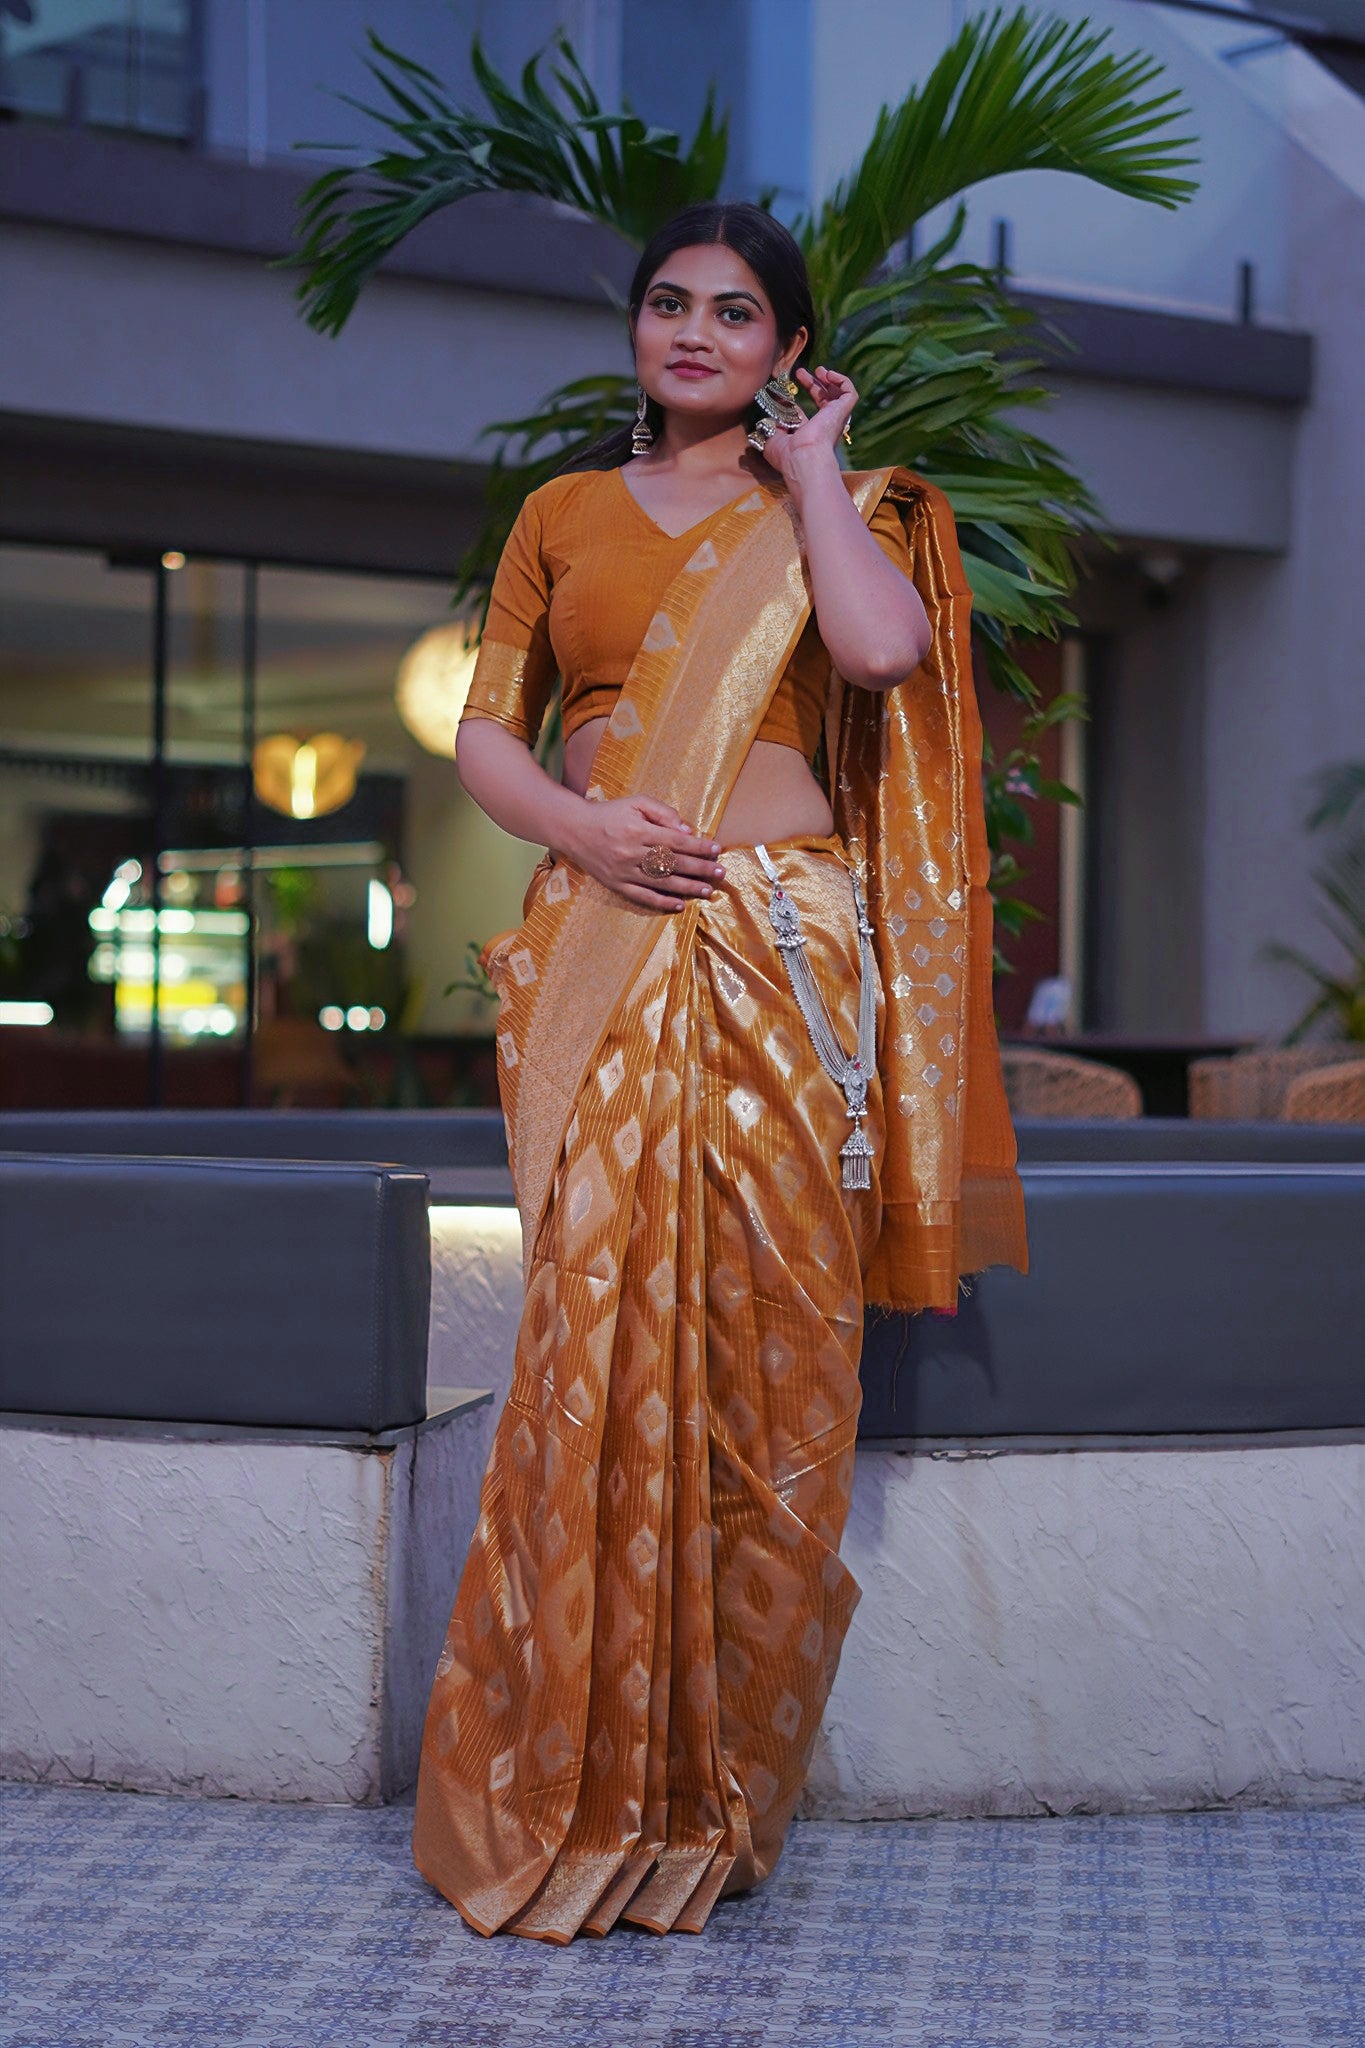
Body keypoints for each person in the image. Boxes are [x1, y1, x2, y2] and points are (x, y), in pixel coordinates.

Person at [411, 200, 1027, 1942]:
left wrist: (814, 469)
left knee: (767, 1333)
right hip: (603, 933)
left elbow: (881, 653)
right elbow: (486, 725)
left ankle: (716, 1787)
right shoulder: (561, 513)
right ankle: (571, 1777)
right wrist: (584, 832)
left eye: (735, 313)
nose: (693, 331)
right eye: (668, 303)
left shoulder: (838, 503)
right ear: (635, 329)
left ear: (784, 349)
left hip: (779, 947)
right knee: (588, 1333)